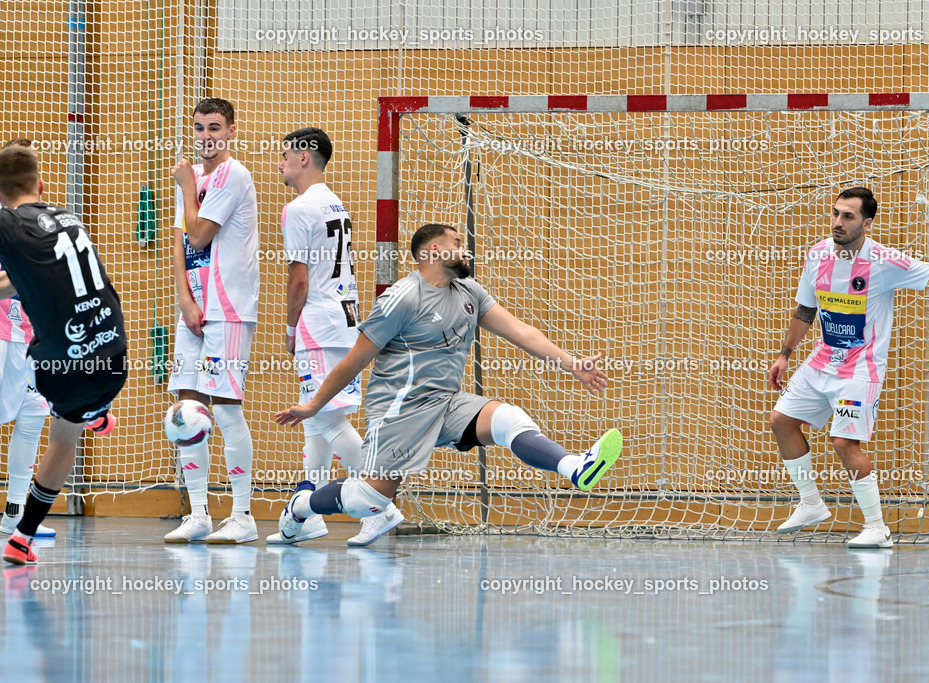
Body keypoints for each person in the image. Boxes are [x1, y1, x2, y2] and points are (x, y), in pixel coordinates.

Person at [275, 224, 621, 545]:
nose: (465, 249)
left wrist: (571, 363)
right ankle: (301, 507)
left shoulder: (470, 292)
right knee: (369, 499)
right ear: (435, 251)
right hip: (399, 410)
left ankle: (575, 467)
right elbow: (356, 358)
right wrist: (315, 405)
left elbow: (520, 331)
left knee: (509, 419)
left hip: (447, 402)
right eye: (457, 243)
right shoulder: (402, 298)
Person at [768, 187, 929, 548]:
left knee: (843, 442)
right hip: (821, 360)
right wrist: (785, 354)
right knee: (781, 421)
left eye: (848, 216)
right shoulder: (817, 254)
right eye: (835, 213)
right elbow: (806, 309)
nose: (838, 222)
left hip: (860, 369)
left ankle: (877, 528)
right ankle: (811, 504)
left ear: (866, 223)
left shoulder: (884, 261)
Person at [266, 126, 394, 546]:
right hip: (344, 320)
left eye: (285, 155)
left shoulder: (298, 208)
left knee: (325, 417)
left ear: (304, 157)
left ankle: (381, 506)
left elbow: (298, 280)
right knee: (315, 418)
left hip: (318, 324)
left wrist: (290, 328)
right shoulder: (335, 203)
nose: (280, 164)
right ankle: (309, 515)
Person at [0, 145, 126, 565]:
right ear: (41, 184)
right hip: (115, 352)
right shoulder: (68, 218)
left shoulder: (8, 225)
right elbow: (23, 278)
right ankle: (96, 413)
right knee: (72, 411)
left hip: (63, 367)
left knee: (61, 436)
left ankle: (22, 537)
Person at [164, 98, 260, 544]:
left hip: (228, 307)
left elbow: (200, 233)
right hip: (194, 308)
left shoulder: (231, 175)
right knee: (186, 409)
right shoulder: (193, 178)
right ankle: (199, 513)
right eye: (200, 128)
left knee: (224, 407)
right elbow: (180, 243)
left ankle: (242, 516)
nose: (206, 136)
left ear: (231, 131)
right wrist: (184, 299)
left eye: (215, 128)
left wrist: (187, 186)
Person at [0, 139, 54, 539]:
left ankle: (15, 512)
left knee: (34, 416)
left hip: (32, 337)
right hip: (2, 332)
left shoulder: (41, 220)